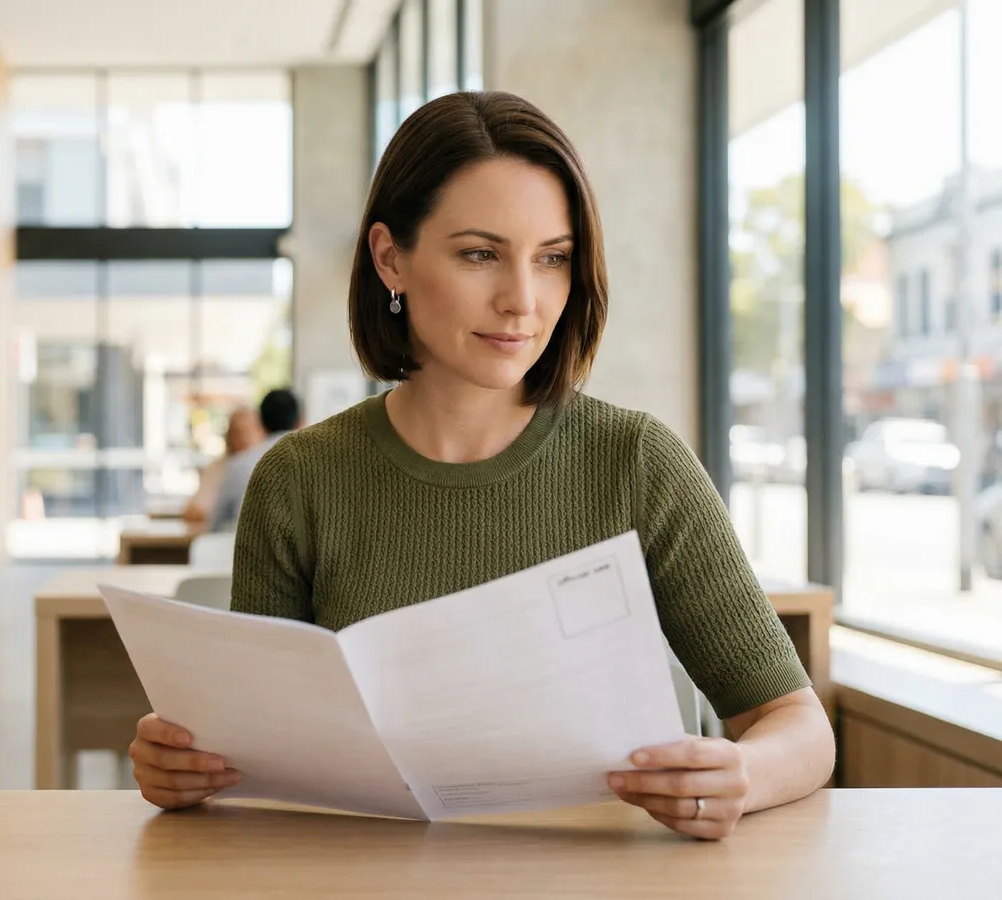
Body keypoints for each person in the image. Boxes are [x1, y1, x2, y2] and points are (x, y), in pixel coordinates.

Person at [129, 91, 834, 840]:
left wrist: (741, 775)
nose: (523, 301)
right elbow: (256, 758)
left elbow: (798, 725)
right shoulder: (299, 479)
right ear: (390, 258)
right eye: (479, 254)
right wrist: (185, 768)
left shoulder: (637, 464)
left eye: (553, 259)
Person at [206, 388, 301, 533]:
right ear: (301, 421)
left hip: (241, 551)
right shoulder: (319, 464)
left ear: (260, 422)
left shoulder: (239, 464)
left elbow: (215, 524)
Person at [182, 407, 265, 525]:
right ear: (228, 436)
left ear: (261, 433)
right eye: (237, 432)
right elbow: (193, 511)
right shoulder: (216, 469)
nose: (243, 438)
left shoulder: (269, 469)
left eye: (248, 431)